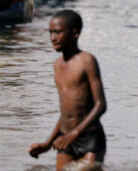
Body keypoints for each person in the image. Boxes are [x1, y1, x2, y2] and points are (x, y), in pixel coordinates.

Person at [28, 10, 107, 170]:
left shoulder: (87, 61)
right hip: (65, 138)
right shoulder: (57, 66)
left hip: (89, 137)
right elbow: (66, 113)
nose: (52, 37)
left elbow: (100, 105)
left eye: (57, 32)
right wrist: (48, 144)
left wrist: (75, 133)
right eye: (50, 32)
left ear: (75, 34)